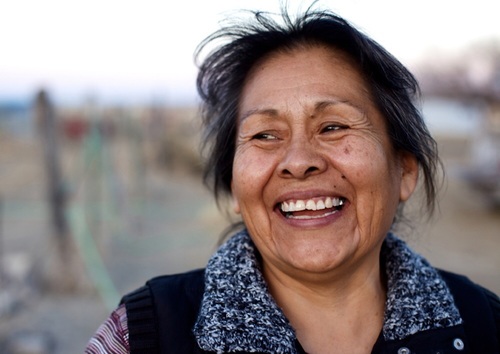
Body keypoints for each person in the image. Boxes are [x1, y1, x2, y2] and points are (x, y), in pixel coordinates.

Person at [85, 5, 500, 354]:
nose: (298, 162)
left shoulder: (487, 326)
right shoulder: (140, 335)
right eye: (265, 135)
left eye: (333, 127)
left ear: (404, 171)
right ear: (233, 184)